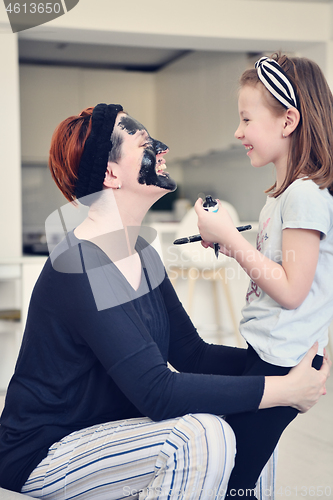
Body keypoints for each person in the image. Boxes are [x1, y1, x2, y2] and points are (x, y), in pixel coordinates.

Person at [0, 103, 330, 500]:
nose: (162, 148)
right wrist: (285, 390)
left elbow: (193, 354)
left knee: (257, 418)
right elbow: (157, 391)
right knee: (200, 435)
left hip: (111, 437)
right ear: (110, 173)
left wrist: (287, 370)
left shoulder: (141, 255)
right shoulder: (81, 264)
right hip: (46, 452)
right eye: (143, 142)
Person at [195, 53, 333, 498]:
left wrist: (231, 242)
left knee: (234, 481)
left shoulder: (306, 196)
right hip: (269, 352)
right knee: (235, 472)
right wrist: (232, 243)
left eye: (246, 119)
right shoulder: (283, 197)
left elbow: (292, 290)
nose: (238, 132)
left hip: (283, 361)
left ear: (288, 120)